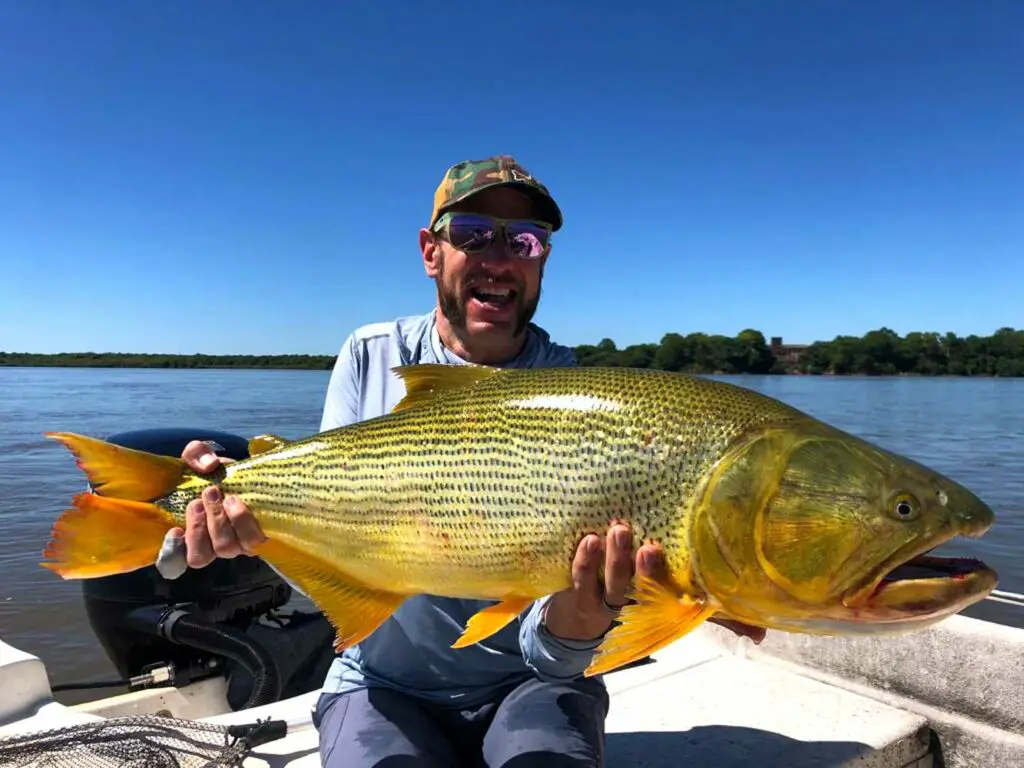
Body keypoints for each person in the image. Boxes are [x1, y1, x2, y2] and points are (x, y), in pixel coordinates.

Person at [156, 155, 764, 767]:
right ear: (431, 251)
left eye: (524, 240)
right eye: (474, 233)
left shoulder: (580, 392)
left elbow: (555, 654)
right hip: (380, 683)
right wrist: (249, 530)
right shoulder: (371, 356)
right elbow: (331, 532)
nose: (500, 258)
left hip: (533, 680)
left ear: (542, 259)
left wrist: (590, 614)